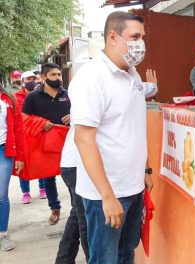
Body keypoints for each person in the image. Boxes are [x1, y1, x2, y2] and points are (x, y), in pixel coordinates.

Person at [69, 11, 156, 263]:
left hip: (133, 187)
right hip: (104, 194)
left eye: (143, 37)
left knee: (126, 253)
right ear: (113, 37)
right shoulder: (92, 77)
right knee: (105, 259)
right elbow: (83, 139)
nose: (141, 44)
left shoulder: (133, 74)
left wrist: (145, 169)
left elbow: (133, 126)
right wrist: (107, 196)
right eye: (134, 36)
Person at [21, 63, 70, 225]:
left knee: (72, 175)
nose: (57, 78)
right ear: (43, 78)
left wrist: (74, 115)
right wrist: (40, 123)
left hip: (67, 141)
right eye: (53, 75)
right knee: (48, 177)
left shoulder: (68, 95)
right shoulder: (33, 97)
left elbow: (83, 112)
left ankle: (77, 208)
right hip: (45, 143)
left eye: (59, 74)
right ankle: (55, 208)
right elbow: (23, 119)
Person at [55, 127, 89, 263]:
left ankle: (64, 260)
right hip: (78, 163)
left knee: (79, 215)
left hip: (76, 163)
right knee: (86, 220)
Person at [14, 71, 47, 204]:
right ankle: (26, 192)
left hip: (38, 133)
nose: (32, 81)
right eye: (28, 79)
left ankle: (43, 188)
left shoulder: (40, 96)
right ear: (22, 81)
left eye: (34, 78)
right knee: (23, 164)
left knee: (41, 162)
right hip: (23, 136)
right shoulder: (16, 97)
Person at [0, 85, 25, 251]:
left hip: (3, 151)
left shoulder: (8, 99)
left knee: (1, 195)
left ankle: (3, 233)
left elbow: (18, 129)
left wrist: (21, 156)